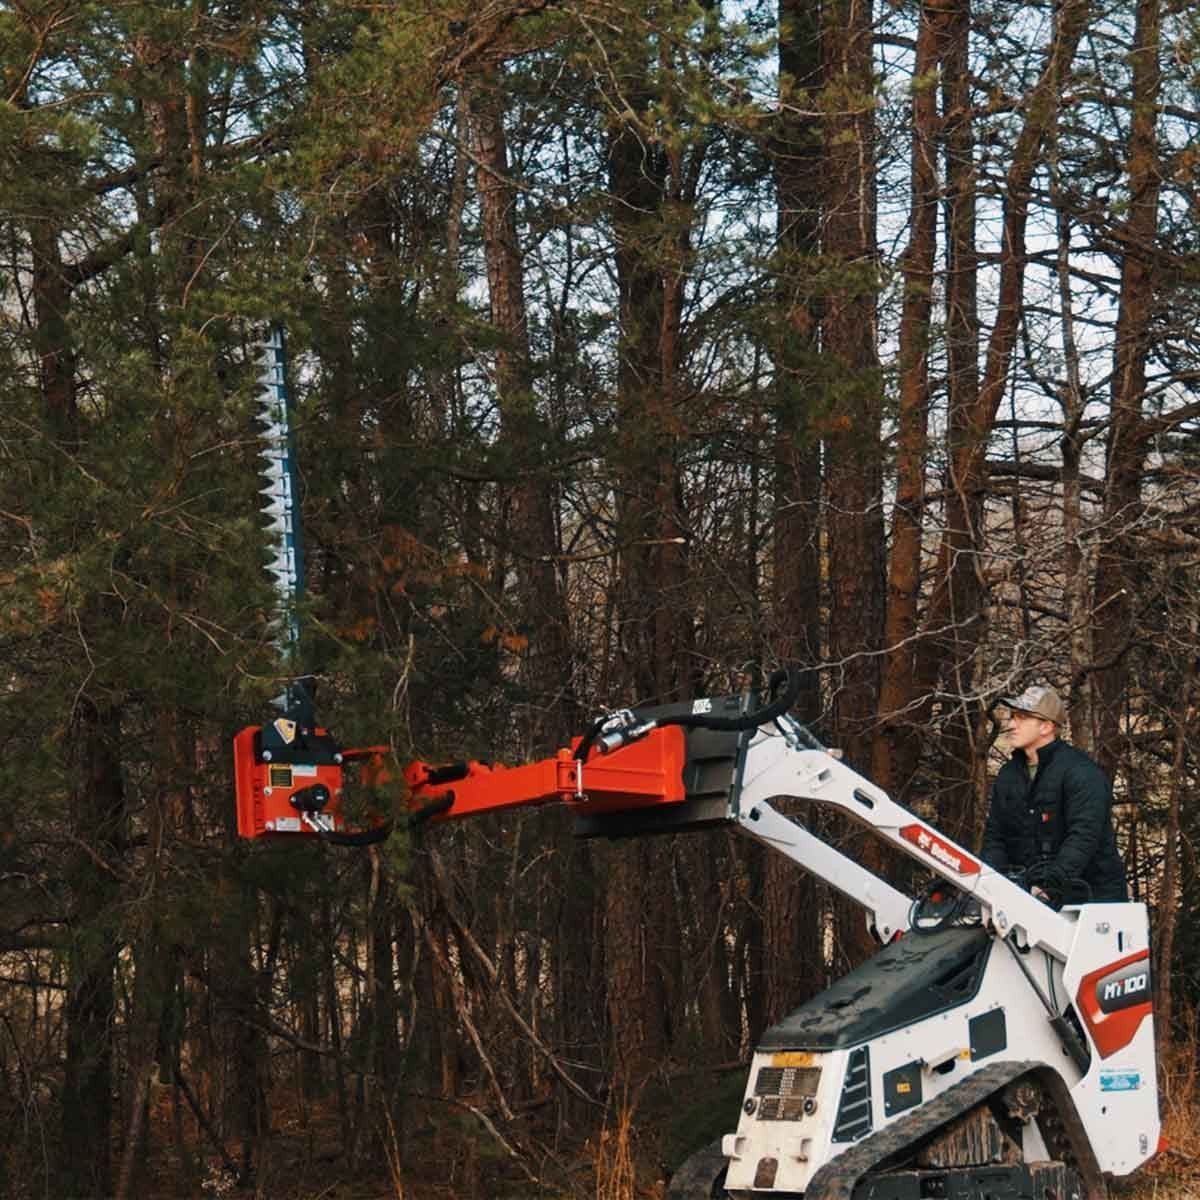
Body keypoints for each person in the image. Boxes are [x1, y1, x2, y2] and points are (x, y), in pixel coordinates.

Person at [981, 684, 1127, 904]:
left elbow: (1083, 838)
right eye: (1011, 717)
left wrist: (1048, 889)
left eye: (1021, 717)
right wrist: (992, 891)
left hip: (1092, 906)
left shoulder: (1081, 773)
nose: (1011, 724)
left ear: (1046, 727)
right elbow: (995, 837)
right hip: (1032, 903)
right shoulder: (1008, 775)